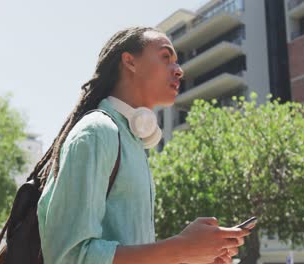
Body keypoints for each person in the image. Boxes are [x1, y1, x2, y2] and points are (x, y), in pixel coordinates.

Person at [35, 26, 254, 264]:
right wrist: (180, 249)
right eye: (165, 57)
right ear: (130, 62)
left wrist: (192, 256)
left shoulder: (132, 142)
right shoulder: (98, 132)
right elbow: (69, 257)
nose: (179, 71)